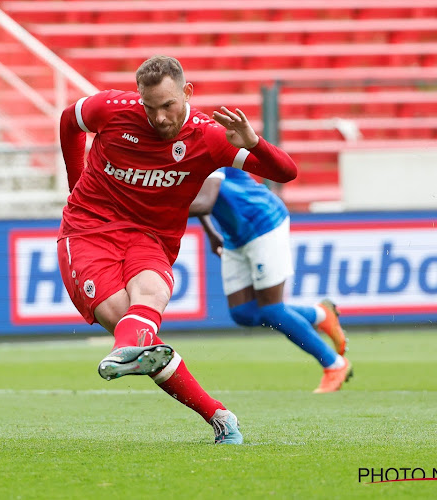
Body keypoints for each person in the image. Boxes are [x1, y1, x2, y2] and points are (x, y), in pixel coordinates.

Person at [57, 55, 297, 445]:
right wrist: (76, 182)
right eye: (150, 108)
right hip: (89, 230)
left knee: (148, 300)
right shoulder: (111, 109)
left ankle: (127, 353)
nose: (161, 118)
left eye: (168, 105)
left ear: (187, 92)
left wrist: (254, 143)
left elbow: (287, 172)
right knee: (128, 322)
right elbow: (70, 120)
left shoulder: (211, 137)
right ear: (139, 98)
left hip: (151, 237)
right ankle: (217, 415)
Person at [189, 167, 352, 393]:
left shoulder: (206, 142)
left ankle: (334, 365)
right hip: (234, 234)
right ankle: (322, 315)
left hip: (263, 223)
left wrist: (155, 208)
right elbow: (194, 192)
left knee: (272, 308)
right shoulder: (175, 153)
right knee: (242, 312)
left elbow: (204, 201)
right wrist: (209, 231)